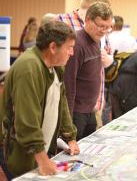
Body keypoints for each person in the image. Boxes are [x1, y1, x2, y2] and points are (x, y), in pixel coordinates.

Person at [0, 21, 80, 180]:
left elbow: (61, 102)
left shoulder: (56, 66)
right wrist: (42, 159)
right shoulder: (29, 68)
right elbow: (26, 121)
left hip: (38, 150)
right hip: (18, 152)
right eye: (69, 47)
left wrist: (70, 136)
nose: (72, 53)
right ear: (52, 47)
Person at [64, 2, 113, 141]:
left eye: (107, 27)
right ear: (87, 20)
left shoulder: (96, 40)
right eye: (100, 26)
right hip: (76, 113)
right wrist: (67, 122)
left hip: (90, 110)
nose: (104, 31)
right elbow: (68, 83)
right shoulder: (77, 44)